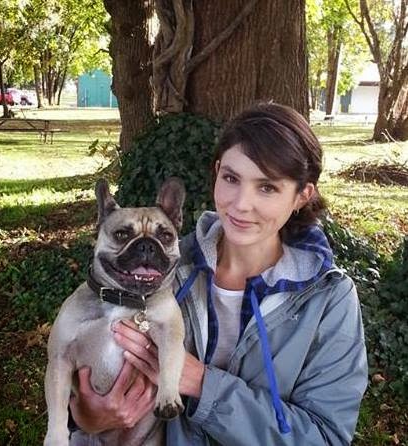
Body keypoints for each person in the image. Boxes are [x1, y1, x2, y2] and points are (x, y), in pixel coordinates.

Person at [70, 102, 368, 445]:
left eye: (267, 187)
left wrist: (201, 383)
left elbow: (325, 437)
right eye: (231, 178)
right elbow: (88, 374)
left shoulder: (327, 299)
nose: (240, 204)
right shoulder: (160, 271)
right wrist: (86, 417)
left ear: (302, 195)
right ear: (216, 172)